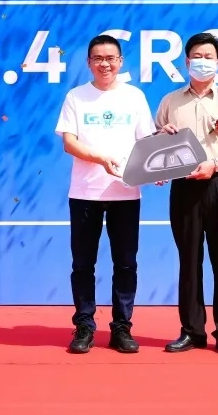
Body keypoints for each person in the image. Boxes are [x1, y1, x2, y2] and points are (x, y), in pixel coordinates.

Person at [54, 33, 156, 354]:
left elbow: (147, 142)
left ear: (120, 61)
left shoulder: (134, 97)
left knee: (125, 264)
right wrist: (100, 159)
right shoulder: (76, 97)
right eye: (98, 58)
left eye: (110, 58)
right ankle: (84, 326)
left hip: (125, 193)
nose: (105, 64)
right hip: (85, 193)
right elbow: (69, 143)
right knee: (83, 265)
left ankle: (121, 328)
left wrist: (157, 169)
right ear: (89, 63)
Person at [154, 32, 218, 356]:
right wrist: (162, 139)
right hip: (184, 186)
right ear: (186, 61)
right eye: (196, 56)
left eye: (208, 57)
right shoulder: (171, 101)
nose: (202, 62)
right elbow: (156, 143)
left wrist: (214, 162)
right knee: (189, 260)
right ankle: (191, 330)